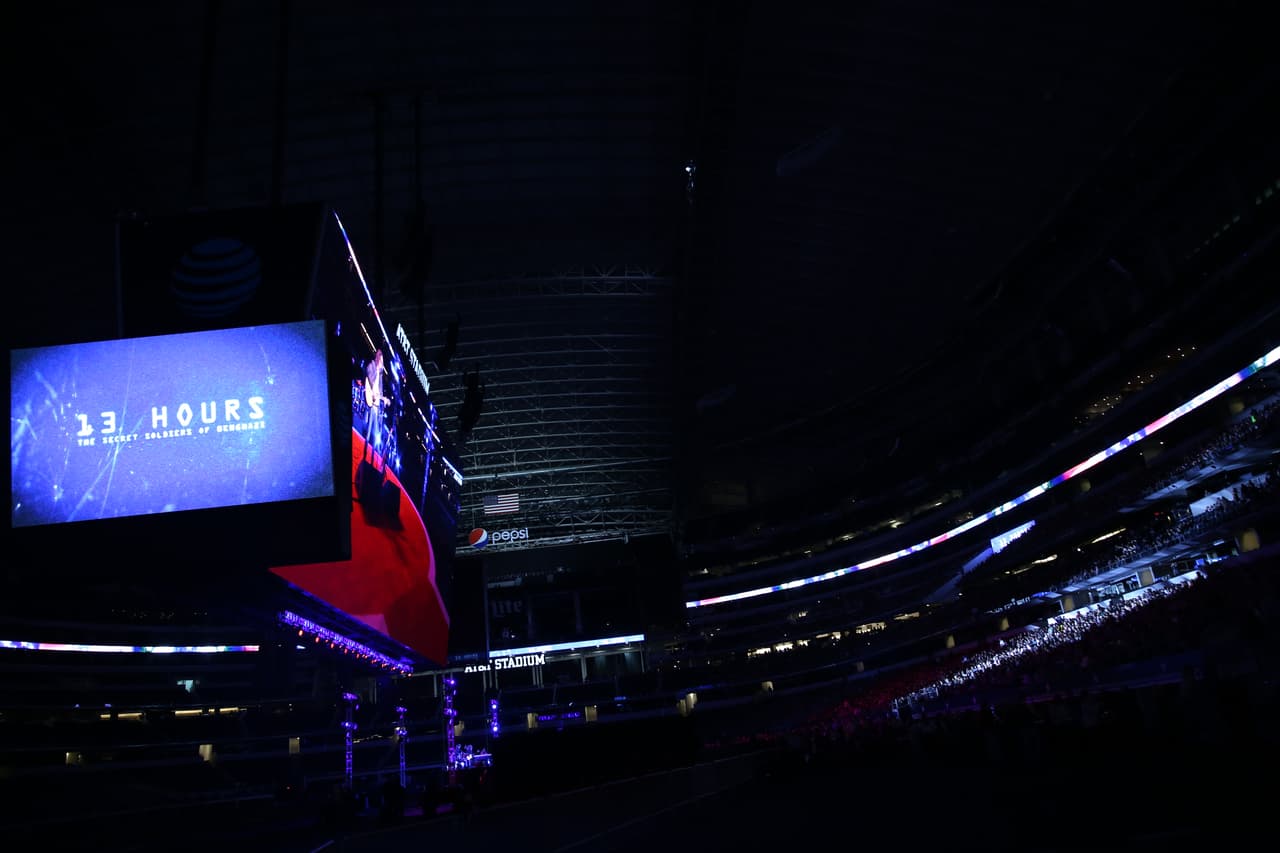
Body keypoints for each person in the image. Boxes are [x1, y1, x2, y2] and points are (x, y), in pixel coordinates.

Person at [363, 348, 390, 465]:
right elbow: (371, 380)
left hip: (376, 406)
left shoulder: (380, 373)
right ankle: (367, 457)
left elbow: (379, 392)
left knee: (375, 433)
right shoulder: (372, 366)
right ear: (378, 358)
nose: (382, 363)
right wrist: (377, 371)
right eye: (381, 359)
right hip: (372, 403)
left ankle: (372, 458)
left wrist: (384, 399)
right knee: (372, 432)